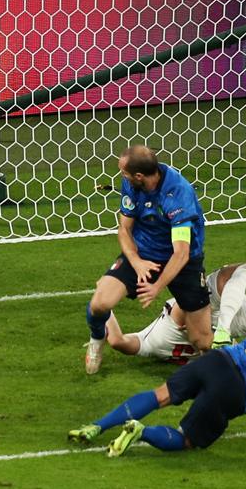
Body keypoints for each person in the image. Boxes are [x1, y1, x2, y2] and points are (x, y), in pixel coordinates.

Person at [69, 290, 246, 457]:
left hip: (217, 361)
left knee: (159, 395)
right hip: (237, 390)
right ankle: (141, 432)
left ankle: (97, 426)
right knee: (187, 440)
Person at [83, 145, 210, 374]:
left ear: (139, 175)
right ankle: (97, 339)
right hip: (144, 253)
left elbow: (180, 252)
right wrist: (136, 261)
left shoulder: (177, 194)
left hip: (184, 260)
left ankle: (213, 373)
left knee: (203, 342)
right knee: (99, 303)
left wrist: (156, 287)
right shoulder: (132, 185)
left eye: (124, 173)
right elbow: (124, 229)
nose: (122, 176)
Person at [106, 262, 246, 364]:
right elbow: (117, 341)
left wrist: (100, 311)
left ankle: (223, 329)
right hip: (209, 322)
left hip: (211, 320)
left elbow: (117, 341)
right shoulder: (155, 341)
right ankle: (223, 328)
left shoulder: (152, 343)